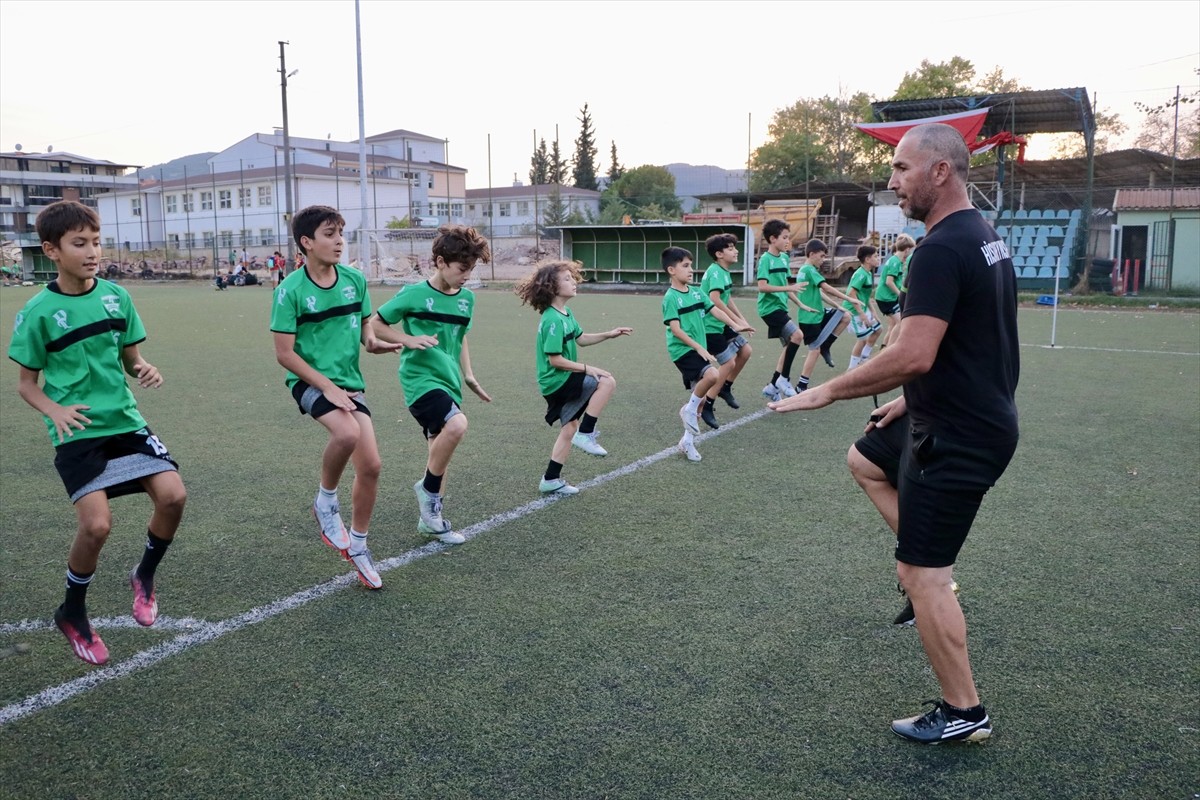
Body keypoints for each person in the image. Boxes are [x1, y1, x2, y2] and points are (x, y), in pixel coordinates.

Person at [769, 123, 1020, 744]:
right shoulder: (981, 237)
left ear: (941, 171)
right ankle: (923, 570)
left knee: (923, 573)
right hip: (949, 414)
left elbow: (913, 353)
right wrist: (907, 404)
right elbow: (970, 345)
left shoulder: (940, 248)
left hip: (958, 434)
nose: (893, 180)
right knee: (865, 459)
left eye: (903, 168)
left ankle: (964, 712)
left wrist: (825, 390)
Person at [8, 200, 187, 665]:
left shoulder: (116, 297)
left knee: (172, 496)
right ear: (52, 250)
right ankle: (72, 612)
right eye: (79, 243)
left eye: (96, 241)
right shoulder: (39, 312)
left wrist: (144, 368)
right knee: (96, 525)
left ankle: (143, 575)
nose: (92, 252)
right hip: (79, 431)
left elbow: (131, 360)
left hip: (125, 420)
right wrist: (55, 410)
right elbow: (27, 385)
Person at [270, 205, 401, 589]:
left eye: (341, 233)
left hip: (349, 384)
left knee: (372, 466)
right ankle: (325, 501)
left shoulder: (355, 281)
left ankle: (358, 546)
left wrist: (381, 346)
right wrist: (326, 386)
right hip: (310, 382)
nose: (339, 240)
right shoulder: (289, 290)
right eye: (330, 234)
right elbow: (284, 354)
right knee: (346, 434)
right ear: (306, 243)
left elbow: (366, 336)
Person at [370, 225, 492, 544]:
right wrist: (408, 339)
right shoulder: (413, 294)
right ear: (440, 262)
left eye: (472, 269)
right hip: (420, 380)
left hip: (450, 380)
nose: (467, 275)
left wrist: (468, 375)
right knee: (456, 425)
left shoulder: (466, 300)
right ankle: (427, 490)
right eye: (462, 268)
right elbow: (375, 324)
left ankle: (431, 519)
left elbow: (461, 337)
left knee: (440, 449)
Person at [515, 260, 633, 495]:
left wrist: (610, 334)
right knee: (606, 381)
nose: (574, 282)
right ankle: (587, 433)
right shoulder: (552, 319)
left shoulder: (565, 313)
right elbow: (555, 360)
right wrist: (588, 368)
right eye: (567, 279)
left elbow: (581, 338)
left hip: (560, 379)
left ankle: (551, 479)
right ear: (552, 287)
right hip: (556, 381)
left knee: (568, 429)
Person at [661, 246, 754, 462]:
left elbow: (715, 310)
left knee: (701, 400)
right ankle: (688, 409)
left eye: (691, 265)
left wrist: (736, 324)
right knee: (712, 376)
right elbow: (675, 330)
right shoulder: (670, 298)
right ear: (671, 270)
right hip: (682, 350)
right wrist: (699, 347)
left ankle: (687, 442)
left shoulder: (696, 292)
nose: (691, 270)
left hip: (696, 348)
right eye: (685, 266)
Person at [754, 219, 816, 402]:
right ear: (773, 239)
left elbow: (786, 286)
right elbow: (762, 287)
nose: (788, 241)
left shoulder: (784, 258)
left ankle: (773, 386)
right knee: (797, 335)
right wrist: (789, 289)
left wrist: (801, 304)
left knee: (790, 344)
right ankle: (784, 379)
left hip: (780, 307)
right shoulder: (765, 259)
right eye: (785, 237)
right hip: (769, 309)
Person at [791, 239, 865, 391]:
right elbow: (827, 288)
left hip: (817, 315)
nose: (823, 259)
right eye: (822, 256)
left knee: (845, 316)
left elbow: (820, 292)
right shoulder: (809, 270)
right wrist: (848, 298)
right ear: (811, 254)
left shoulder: (807, 270)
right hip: (809, 318)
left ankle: (826, 346)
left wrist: (838, 306)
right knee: (814, 351)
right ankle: (801, 385)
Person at [698, 233, 754, 428]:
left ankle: (725, 387)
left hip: (720, 324)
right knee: (728, 362)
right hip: (708, 327)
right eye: (730, 248)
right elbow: (714, 299)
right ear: (719, 254)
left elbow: (727, 298)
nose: (736, 251)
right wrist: (733, 321)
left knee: (745, 351)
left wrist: (740, 319)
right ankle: (707, 404)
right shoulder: (715, 272)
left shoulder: (723, 271)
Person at [844, 244, 884, 370]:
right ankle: (851, 369)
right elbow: (851, 294)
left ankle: (865, 357)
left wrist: (874, 314)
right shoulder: (860, 274)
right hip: (852, 312)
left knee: (878, 329)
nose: (879, 258)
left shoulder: (867, 273)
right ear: (867, 259)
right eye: (876, 256)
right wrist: (862, 314)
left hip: (862, 309)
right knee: (862, 339)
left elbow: (866, 298)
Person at [874, 234, 914, 349]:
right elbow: (889, 281)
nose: (910, 253)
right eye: (910, 250)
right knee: (900, 322)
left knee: (893, 324)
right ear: (907, 249)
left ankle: (885, 346)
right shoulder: (895, 262)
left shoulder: (897, 261)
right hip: (886, 298)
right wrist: (901, 295)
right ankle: (890, 349)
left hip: (889, 297)